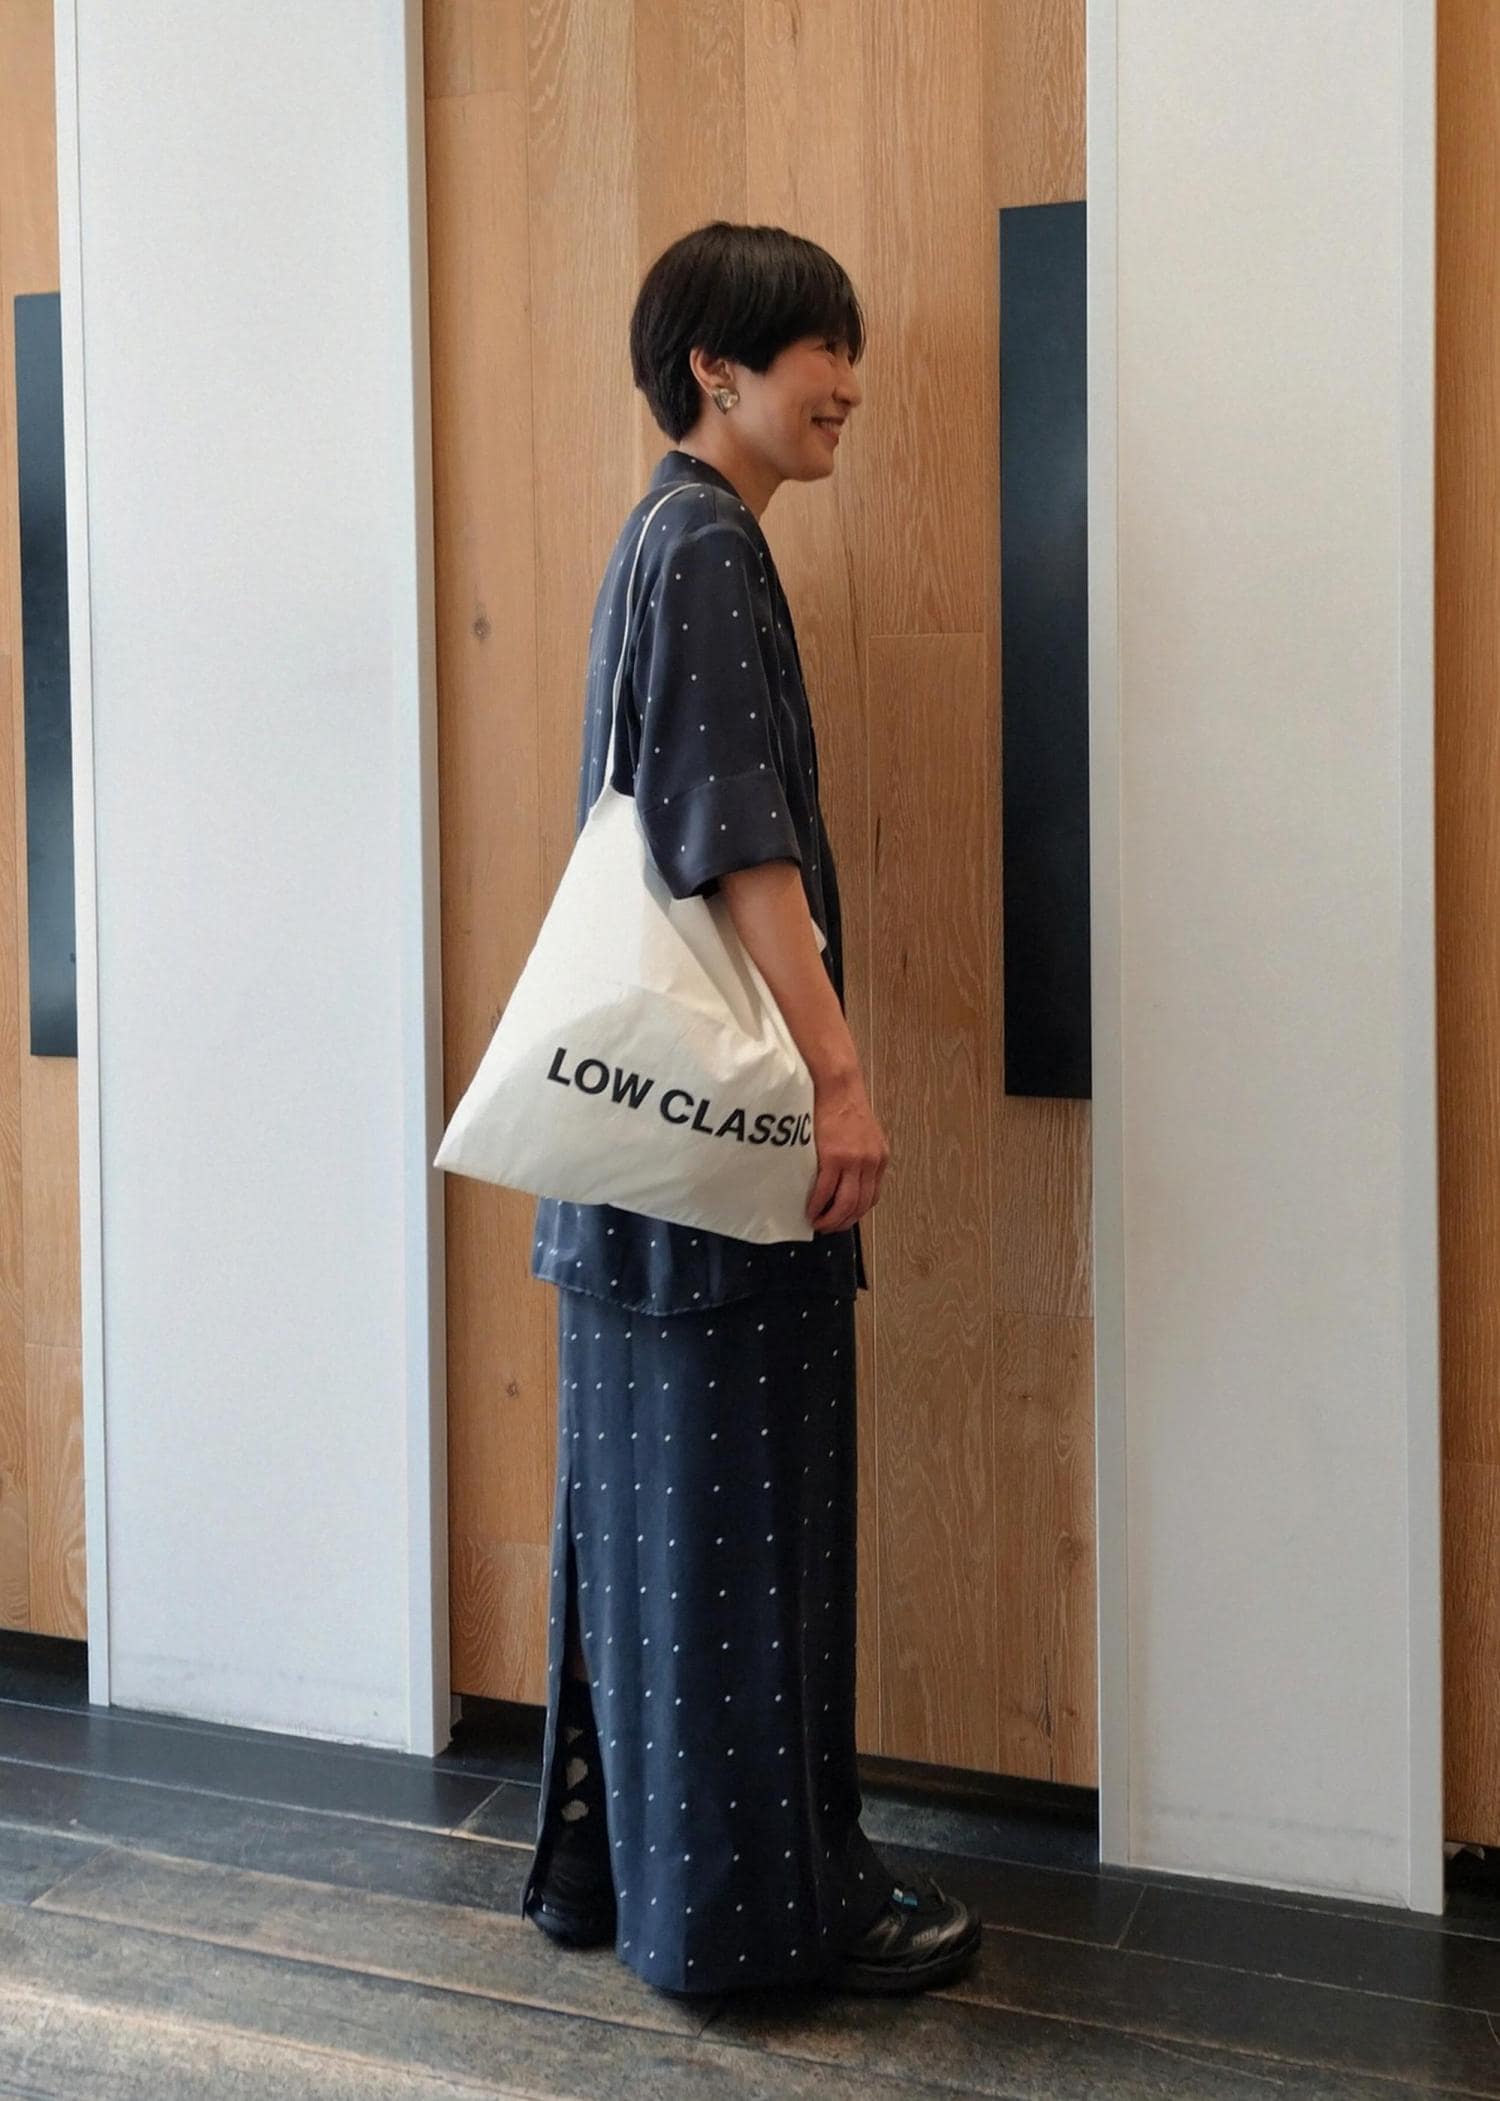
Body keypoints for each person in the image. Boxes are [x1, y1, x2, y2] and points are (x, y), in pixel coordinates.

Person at [520, 221, 979, 1998]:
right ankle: (759, 1920)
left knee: (667, 1525)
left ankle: (662, 1889)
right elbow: (735, 837)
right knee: (743, 1523)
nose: (849, 382)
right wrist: (839, 1077)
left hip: (639, 1161)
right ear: (719, 369)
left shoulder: (661, 535)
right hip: (721, 1163)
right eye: (819, 350)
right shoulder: (709, 546)